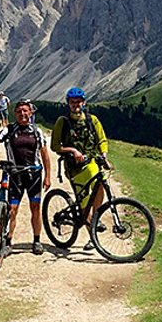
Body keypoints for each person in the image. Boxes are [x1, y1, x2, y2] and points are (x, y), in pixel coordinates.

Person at [0, 99, 53, 254]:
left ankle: (36, 241)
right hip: (15, 175)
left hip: (34, 175)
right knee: (13, 209)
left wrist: (48, 176)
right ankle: (8, 242)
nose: (22, 114)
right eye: (19, 111)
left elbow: (45, 155)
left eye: (25, 111)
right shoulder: (9, 130)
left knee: (35, 208)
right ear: (15, 114)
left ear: (30, 113)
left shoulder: (37, 131)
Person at [50, 87, 109, 228]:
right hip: (74, 168)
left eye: (78, 101)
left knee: (100, 183)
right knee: (84, 204)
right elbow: (55, 146)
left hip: (91, 163)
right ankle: (91, 231)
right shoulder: (62, 122)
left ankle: (95, 218)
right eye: (72, 102)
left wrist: (104, 155)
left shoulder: (92, 120)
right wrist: (72, 150)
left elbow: (102, 140)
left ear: (84, 102)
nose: (76, 104)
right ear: (68, 103)